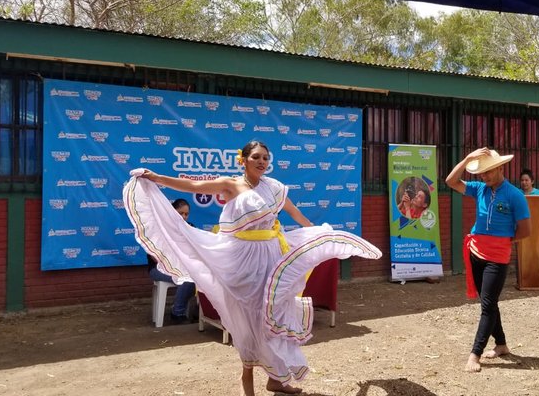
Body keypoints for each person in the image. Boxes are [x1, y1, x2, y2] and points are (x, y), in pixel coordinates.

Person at [123, 140, 382, 395]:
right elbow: (193, 185)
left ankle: (276, 380)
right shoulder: (231, 184)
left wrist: (317, 234)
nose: (262, 162)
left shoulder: (274, 188)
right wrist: (156, 177)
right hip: (243, 260)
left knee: (273, 314)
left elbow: (294, 213)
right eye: (256, 157)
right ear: (243, 159)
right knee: (248, 314)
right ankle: (247, 375)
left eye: (265, 158)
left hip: (271, 255)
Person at [445, 147, 531, 373]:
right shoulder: (479, 189)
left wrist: (502, 241)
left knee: (487, 305)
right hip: (475, 252)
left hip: (497, 256)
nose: (484, 176)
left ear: (500, 168)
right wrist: (466, 159)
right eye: (481, 173)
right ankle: (501, 344)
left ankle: (475, 354)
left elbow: (525, 230)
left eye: (488, 172)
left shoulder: (515, 195)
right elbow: (451, 181)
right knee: (488, 302)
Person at [147, 198, 196, 324]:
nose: (183, 217)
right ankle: (177, 313)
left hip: (184, 268)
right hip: (159, 268)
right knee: (186, 279)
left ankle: (196, 311)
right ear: (172, 212)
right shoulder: (160, 229)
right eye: (180, 213)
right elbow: (154, 256)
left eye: (186, 214)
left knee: (199, 277)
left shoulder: (190, 228)